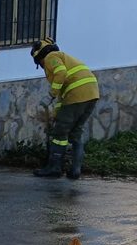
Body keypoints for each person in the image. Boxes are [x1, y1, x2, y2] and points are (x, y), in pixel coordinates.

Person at [30, 38, 99, 179]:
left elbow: (61, 74)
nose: (43, 67)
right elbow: (63, 94)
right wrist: (56, 113)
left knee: (59, 133)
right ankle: (75, 171)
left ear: (40, 57)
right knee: (76, 133)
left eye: (40, 64)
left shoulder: (51, 57)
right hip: (91, 94)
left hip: (77, 94)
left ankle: (54, 168)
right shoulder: (64, 58)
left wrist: (50, 95)